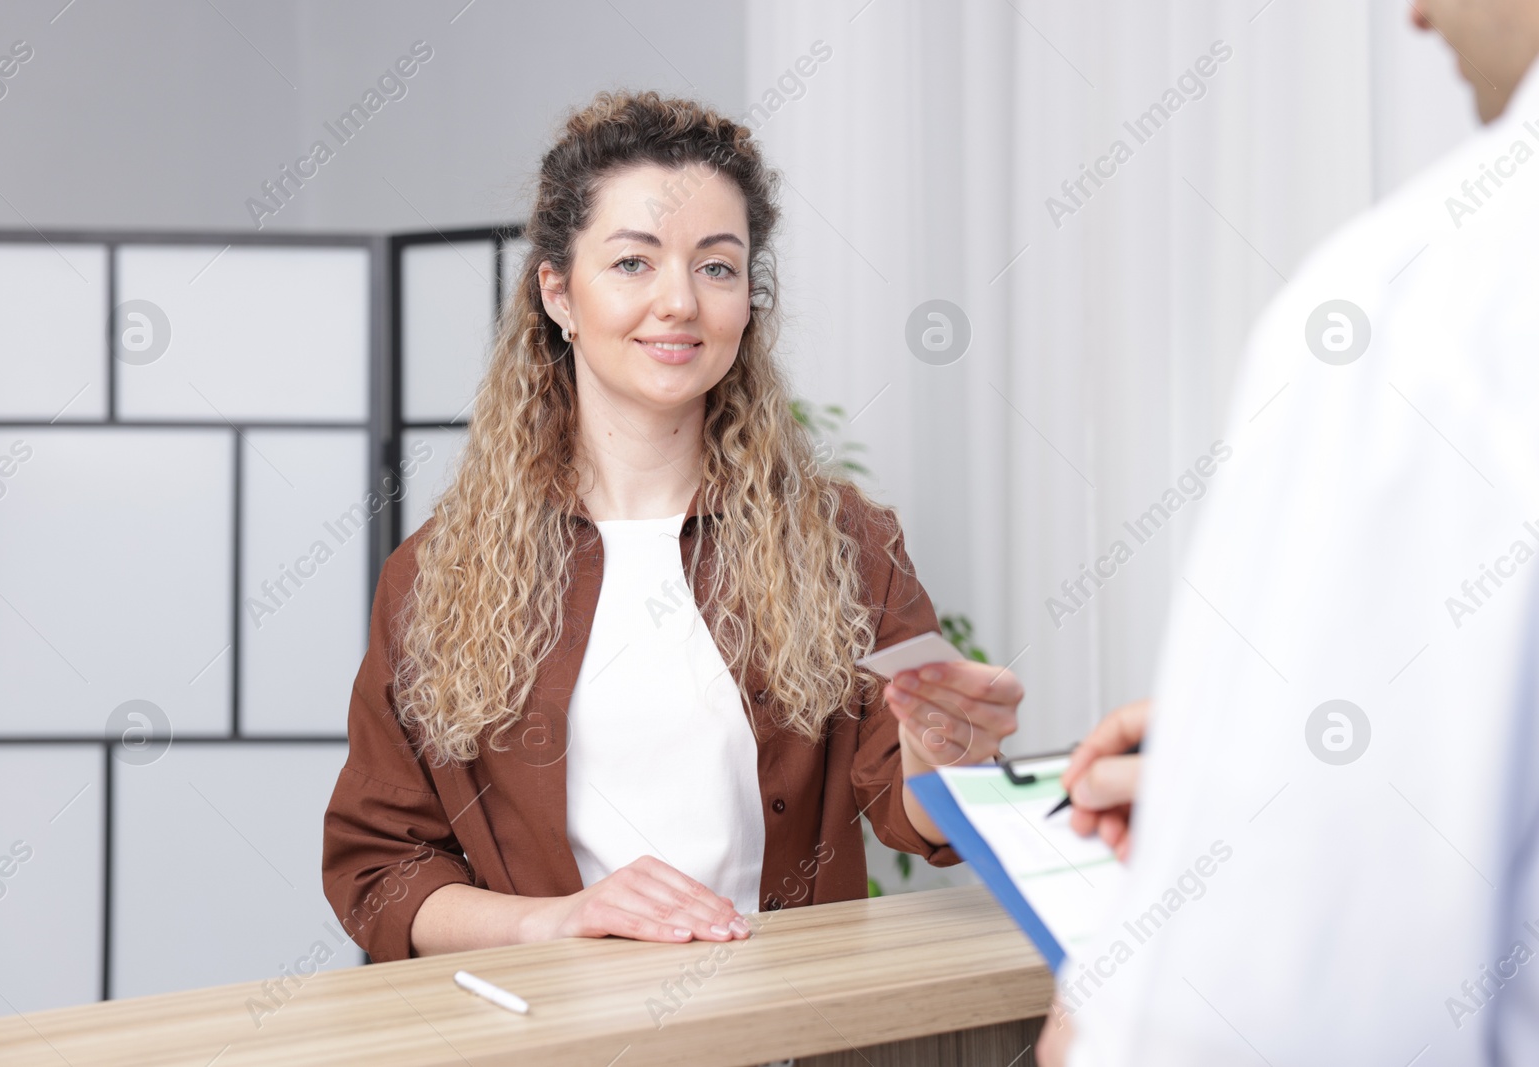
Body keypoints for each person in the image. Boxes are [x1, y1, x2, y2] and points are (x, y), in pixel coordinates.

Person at [321, 90, 1024, 962]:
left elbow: (915, 813)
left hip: (788, 1037)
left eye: (716, 266)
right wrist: (555, 919)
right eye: (632, 263)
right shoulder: (437, 572)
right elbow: (377, 868)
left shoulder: (845, 541)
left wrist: (944, 746)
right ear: (558, 294)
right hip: (551, 1041)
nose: (679, 301)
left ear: (749, 302)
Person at [1037, 0, 1539, 1062]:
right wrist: (1248, 757)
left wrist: (1128, 979)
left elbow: (1267, 1026)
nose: (1413, 17)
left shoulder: (1418, 312)